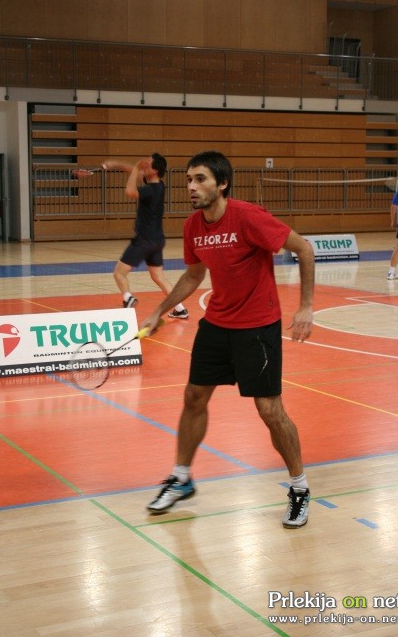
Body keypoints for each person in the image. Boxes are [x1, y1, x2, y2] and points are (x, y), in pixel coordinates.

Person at [141, 151, 315, 528]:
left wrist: (305, 307)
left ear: (222, 184)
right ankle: (182, 478)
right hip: (218, 323)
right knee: (194, 397)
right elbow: (193, 275)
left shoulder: (249, 217)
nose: (191, 186)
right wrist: (159, 311)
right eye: (189, 180)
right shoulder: (193, 225)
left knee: (270, 410)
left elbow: (304, 249)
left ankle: (299, 487)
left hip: (258, 326)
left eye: (200, 179)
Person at [102, 153, 188, 318]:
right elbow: (136, 172)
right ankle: (180, 309)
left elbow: (130, 191)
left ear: (154, 171)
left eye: (148, 164)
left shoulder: (150, 190)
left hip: (144, 240)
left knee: (119, 273)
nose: (143, 165)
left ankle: (128, 298)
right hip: (157, 240)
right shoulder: (159, 185)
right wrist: (115, 164)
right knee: (158, 276)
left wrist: (136, 167)